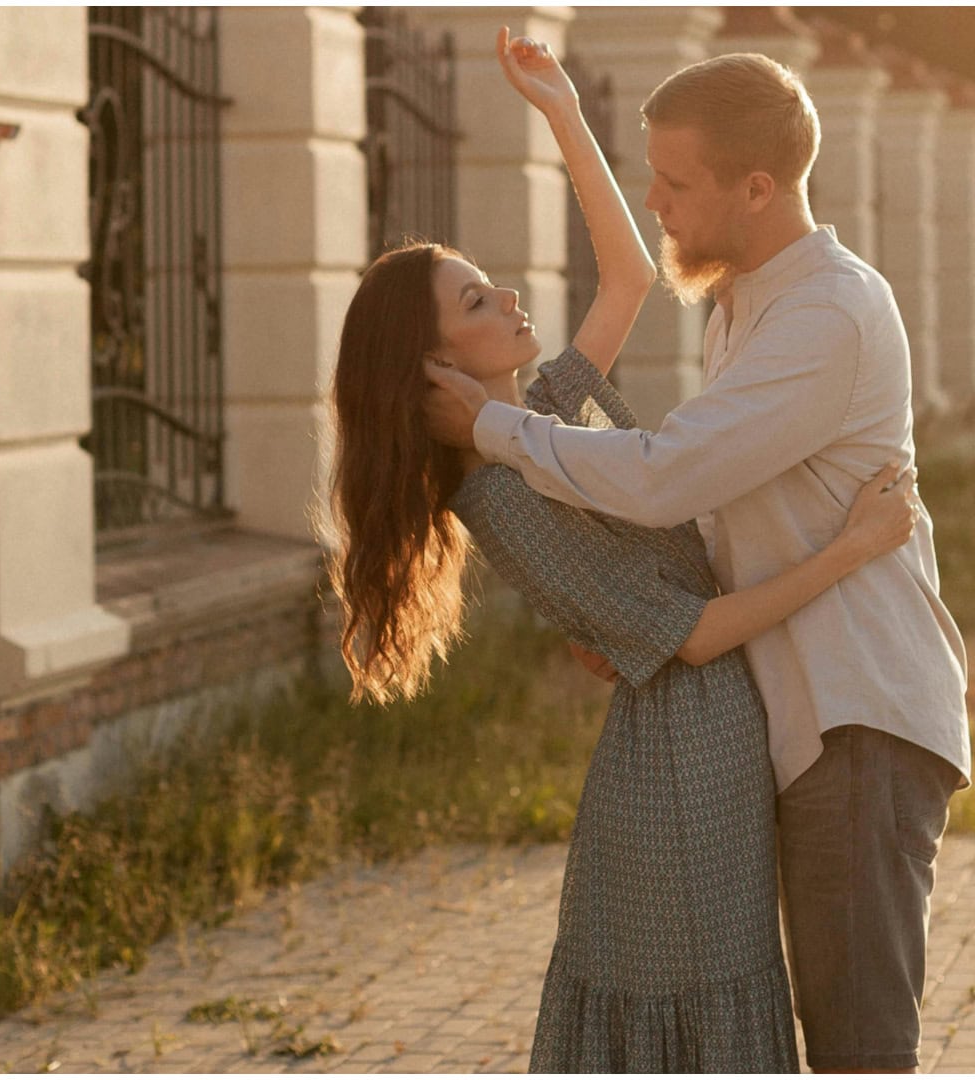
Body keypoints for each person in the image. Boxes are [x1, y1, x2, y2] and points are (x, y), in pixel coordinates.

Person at [326, 30, 920, 1072]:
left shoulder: (543, 420)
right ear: (431, 371)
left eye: (673, 179)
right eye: (476, 303)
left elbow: (626, 281)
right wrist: (855, 547)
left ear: (753, 185)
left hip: (777, 727)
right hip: (687, 768)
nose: (509, 299)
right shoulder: (501, 489)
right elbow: (682, 622)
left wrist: (560, 108)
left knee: (821, 1029)